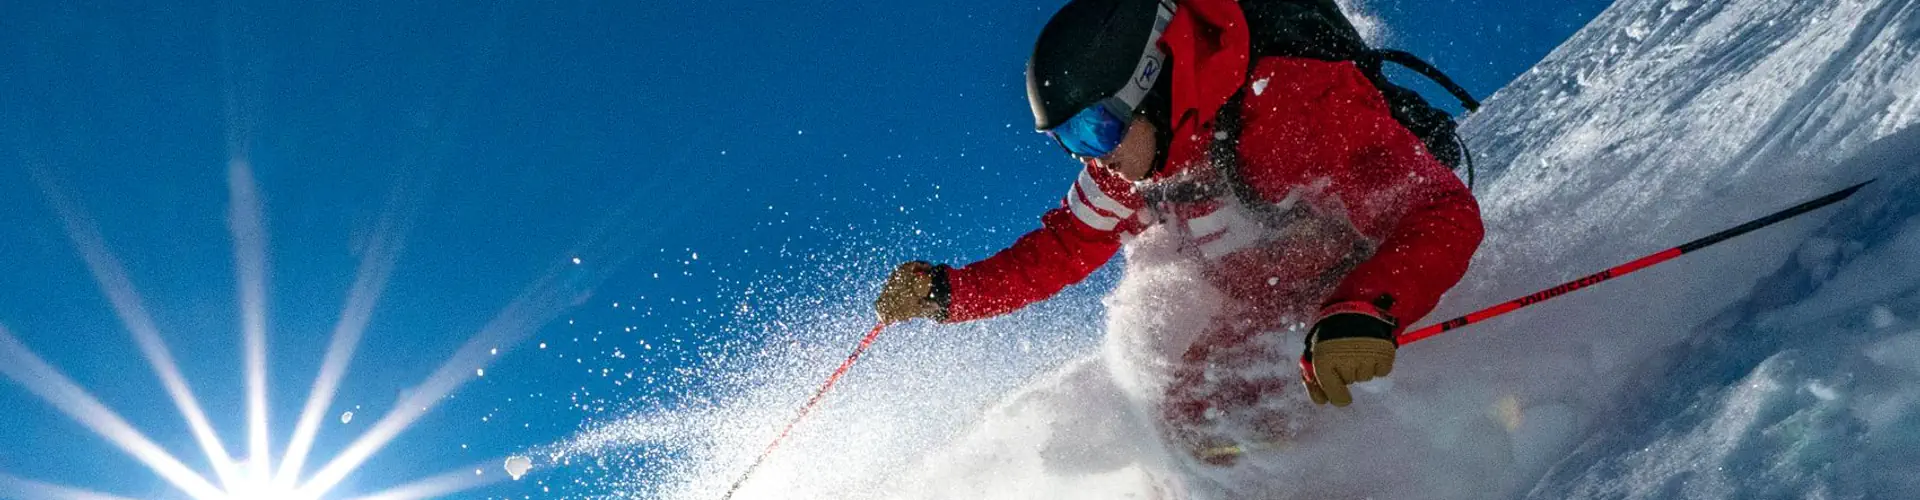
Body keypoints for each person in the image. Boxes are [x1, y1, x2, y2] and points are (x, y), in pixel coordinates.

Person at [874, 0, 1483, 464]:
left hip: (1359, 286)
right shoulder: (1130, 168)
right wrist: (947, 294)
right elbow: (1057, 252)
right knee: (1191, 409)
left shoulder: (1299, 107)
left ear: (1153, 83)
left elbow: (1442, 212)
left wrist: (1364, 308)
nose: (1091, 158)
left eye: (1095, 130)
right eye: (1068, 140)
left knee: (1252, 399)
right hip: (1267, 297)